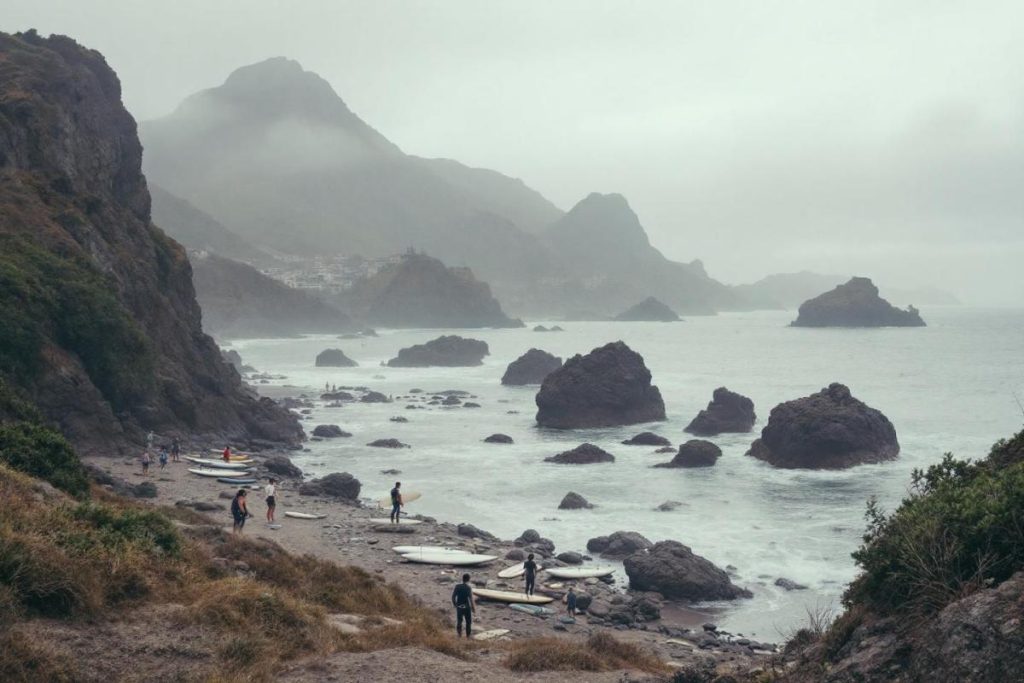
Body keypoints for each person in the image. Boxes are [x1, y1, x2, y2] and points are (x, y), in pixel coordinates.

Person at [451, 573, 475, 638]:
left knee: (459, 621)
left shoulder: (457, 586)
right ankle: (468, 636)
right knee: (468, 622)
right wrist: (473, 609)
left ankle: (459, 635)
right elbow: (471, 599)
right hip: (467, 607)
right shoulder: (468, 588)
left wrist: (455, 604)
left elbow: (453, 597)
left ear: (462, 579)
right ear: (468, 579)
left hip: (459, 606)